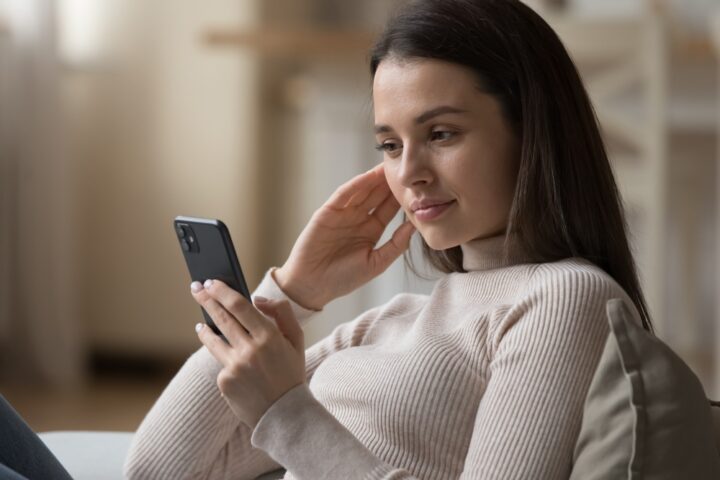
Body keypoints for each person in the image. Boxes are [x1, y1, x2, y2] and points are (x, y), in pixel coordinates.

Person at [122, 0, 654, 479]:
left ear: (531, 131)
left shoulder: (564, 296)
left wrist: (286, 410)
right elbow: (154, 470)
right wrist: (294, 290)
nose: (410, 173)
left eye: (441, 134)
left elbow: (284, 423)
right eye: (390, 144)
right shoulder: (389, 322)